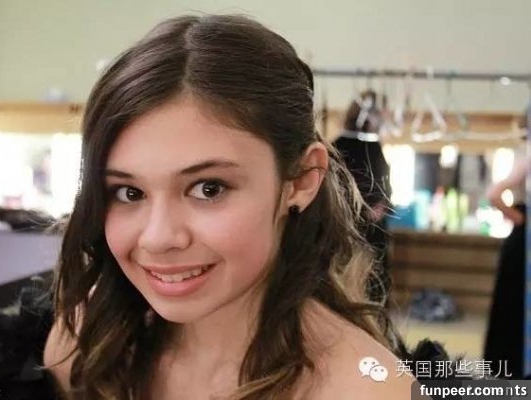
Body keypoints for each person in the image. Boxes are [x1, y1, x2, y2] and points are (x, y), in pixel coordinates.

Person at [42, 15, 419, 400]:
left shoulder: (367, 390)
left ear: (302, 179)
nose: (158, 238)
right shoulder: (83, 348)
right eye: (129, 193)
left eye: (209, 189)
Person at [333, 91, 392, 304]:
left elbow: (384, 187)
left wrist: (380, 206)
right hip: (347, 226)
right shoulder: (344, 146)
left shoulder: (368, 145)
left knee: (367, 284)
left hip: (365, 226)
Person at [483, 138, 529, 379]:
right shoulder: (527, 158)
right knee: (516, 306)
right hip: (523, 244)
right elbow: (493, 193)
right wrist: (520, 218)